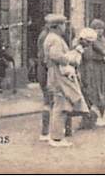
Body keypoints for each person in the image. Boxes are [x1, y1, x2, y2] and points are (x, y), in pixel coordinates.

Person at [42, 13, 90, 147]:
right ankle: (56, 138)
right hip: (58, 75)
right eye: (63, 24)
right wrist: (71, 58)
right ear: (57, 26)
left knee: (60, 105)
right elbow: (56, 56)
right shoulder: (55, 39)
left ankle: (57, 135)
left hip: (56, 73)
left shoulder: (52, 37)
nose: (65, 27)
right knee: (61, 106)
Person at [80, 18, 105, 126]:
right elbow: (89, 55)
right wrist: (102, 58)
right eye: (97, 29)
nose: (99, 31)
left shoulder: (103, 40)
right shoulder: (90, 40)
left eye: (101, 28)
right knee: (97, 91)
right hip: (95, 69)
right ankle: (98, 117)